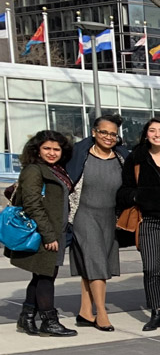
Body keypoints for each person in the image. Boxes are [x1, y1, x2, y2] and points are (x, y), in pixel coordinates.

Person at [6, 130, 77, 337]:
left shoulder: (55, 170)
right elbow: (32, 204)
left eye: (56, 149)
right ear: (37, 149)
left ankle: (26, 318)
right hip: (43, 233)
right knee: (46, 277)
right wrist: (48, 235)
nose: (52, 152)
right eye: (47, 148)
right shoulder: (34, 170)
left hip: (55, 230)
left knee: (40, 276)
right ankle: (49, 321)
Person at [117, 118, 160, 331]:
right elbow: (124, 191)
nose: (157, 134)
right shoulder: (136, 158)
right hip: (148, 220)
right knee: (151, 268)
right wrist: (139, 197)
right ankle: (156, 311)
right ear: (146, 134)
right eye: (152, 130)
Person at [67, 115, 128, 332]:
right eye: (103, 132)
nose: (108, 137)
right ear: (93, 132)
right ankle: (101, 313)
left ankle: (85, 312)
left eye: (113, 134)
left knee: (91, 263)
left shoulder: (122, 157)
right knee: (96, 262)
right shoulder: (80, 155)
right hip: (84, 214)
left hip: (110, 217)